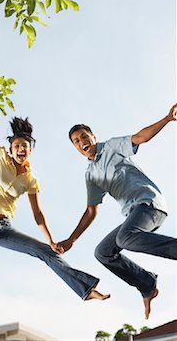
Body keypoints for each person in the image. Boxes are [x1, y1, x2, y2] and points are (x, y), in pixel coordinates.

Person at [0, 89, 110, 302]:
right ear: (11, 149)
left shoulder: (31, 180)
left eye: (24, 146)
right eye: (16, 146)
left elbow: (38, 214)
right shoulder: (0, 157)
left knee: (47, 253)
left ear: (30, 150)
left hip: (5, 229)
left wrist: (51, 240)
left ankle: (86, 289)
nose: (20, 149)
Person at [58, 103, 177, 319]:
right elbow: (91, 211)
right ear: (75, 148)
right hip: (133, 215)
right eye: (76, 141)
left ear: (93, 137)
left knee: (124, 238)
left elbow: (140, 137)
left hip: (149, 204)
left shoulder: (112, 146)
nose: (82, 142)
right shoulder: (91, 174)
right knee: (103, 252)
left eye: (84, 136)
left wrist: (167, 119)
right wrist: (72, 239)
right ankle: (147, 284)